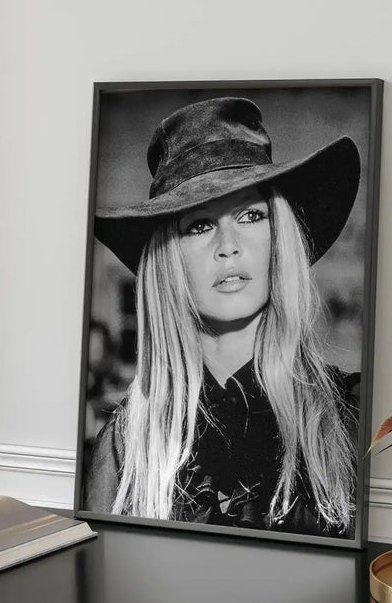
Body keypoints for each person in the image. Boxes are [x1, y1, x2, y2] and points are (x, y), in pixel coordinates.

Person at [84, 96, 361, 538]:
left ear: (279, 239)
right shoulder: (127, 441)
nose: (227, 245)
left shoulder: (348, 417)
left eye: (251, 215)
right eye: (199, 225)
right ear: (169, 261)